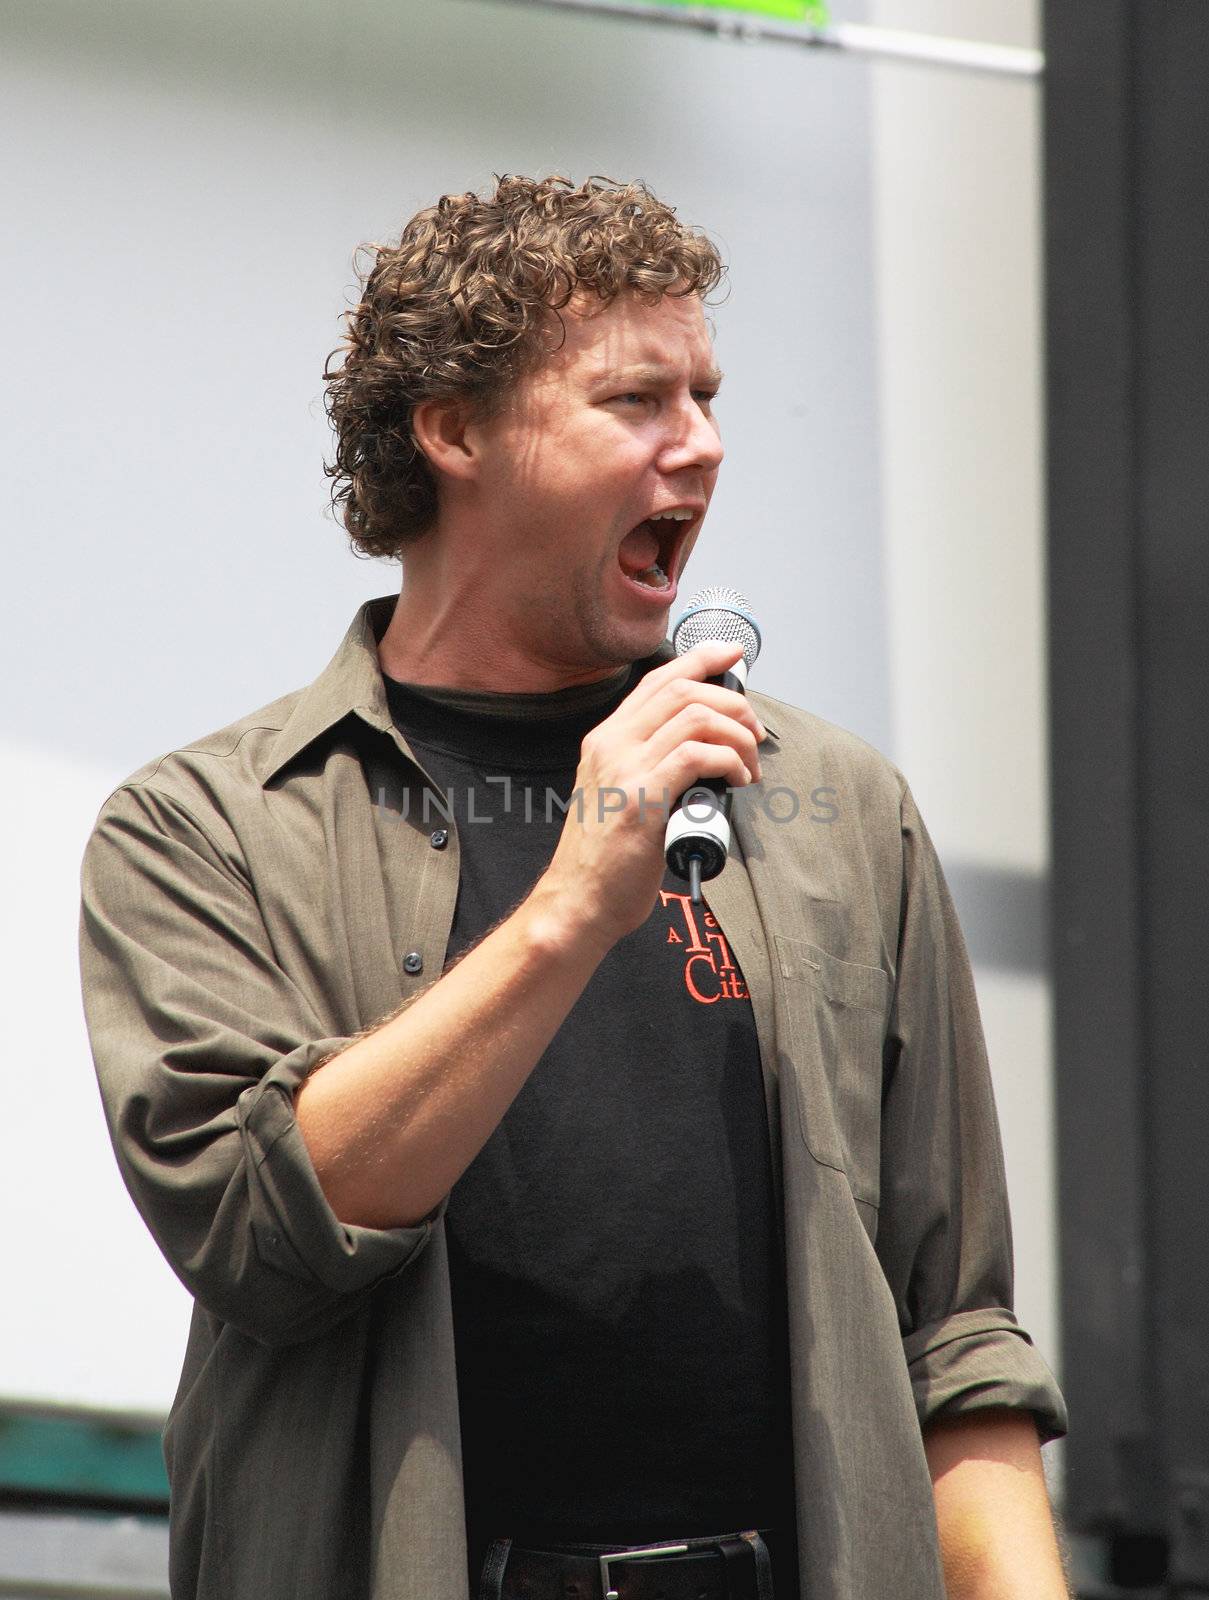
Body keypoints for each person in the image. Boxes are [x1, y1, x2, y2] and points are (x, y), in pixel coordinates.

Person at [80, 174, 1069, 1600]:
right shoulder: (211, 825)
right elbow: (263, 1232)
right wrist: (570, 902)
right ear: (455, 430)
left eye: (709, 396)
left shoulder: (836, 806)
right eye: (635, 402)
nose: (706, 446)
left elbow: (956, 1331)